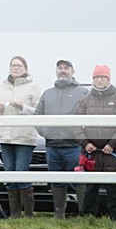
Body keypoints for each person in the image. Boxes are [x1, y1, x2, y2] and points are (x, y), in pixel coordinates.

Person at [34, 59, 89, 218]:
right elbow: (38, 115)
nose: (63, 71)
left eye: (66, 68)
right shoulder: (48, 93)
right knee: (57, 181)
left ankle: (84, 215)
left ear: (73, 71)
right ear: (56, 71)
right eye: (60, 68)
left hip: (74, 147)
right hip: (52, 146)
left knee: (78, 181)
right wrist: (45, 132)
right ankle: (59, 215)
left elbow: (88, 116)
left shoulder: (82, 92)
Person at [0, 56, 42, 218]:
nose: (16, 68)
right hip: (5, 136)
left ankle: (28, 214)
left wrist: (22, 107)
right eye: (13, 65)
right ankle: (14, 214)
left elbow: (38, 111)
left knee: (21, 172)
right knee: (9, 174)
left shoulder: (33, 86)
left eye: (19, 66)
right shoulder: (2, 86)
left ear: (25, 69)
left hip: (24, 137)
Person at [73, 65, 116, 220]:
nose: (99, 80)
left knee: (114, 189)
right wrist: (85, 143)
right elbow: (76, 124)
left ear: (109, 78)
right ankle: (87, 219)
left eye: (103, 77)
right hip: (91, 152)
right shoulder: (85, 100)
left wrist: (112, 144)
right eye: (96, 77)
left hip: (113, 152)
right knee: (90, 187)